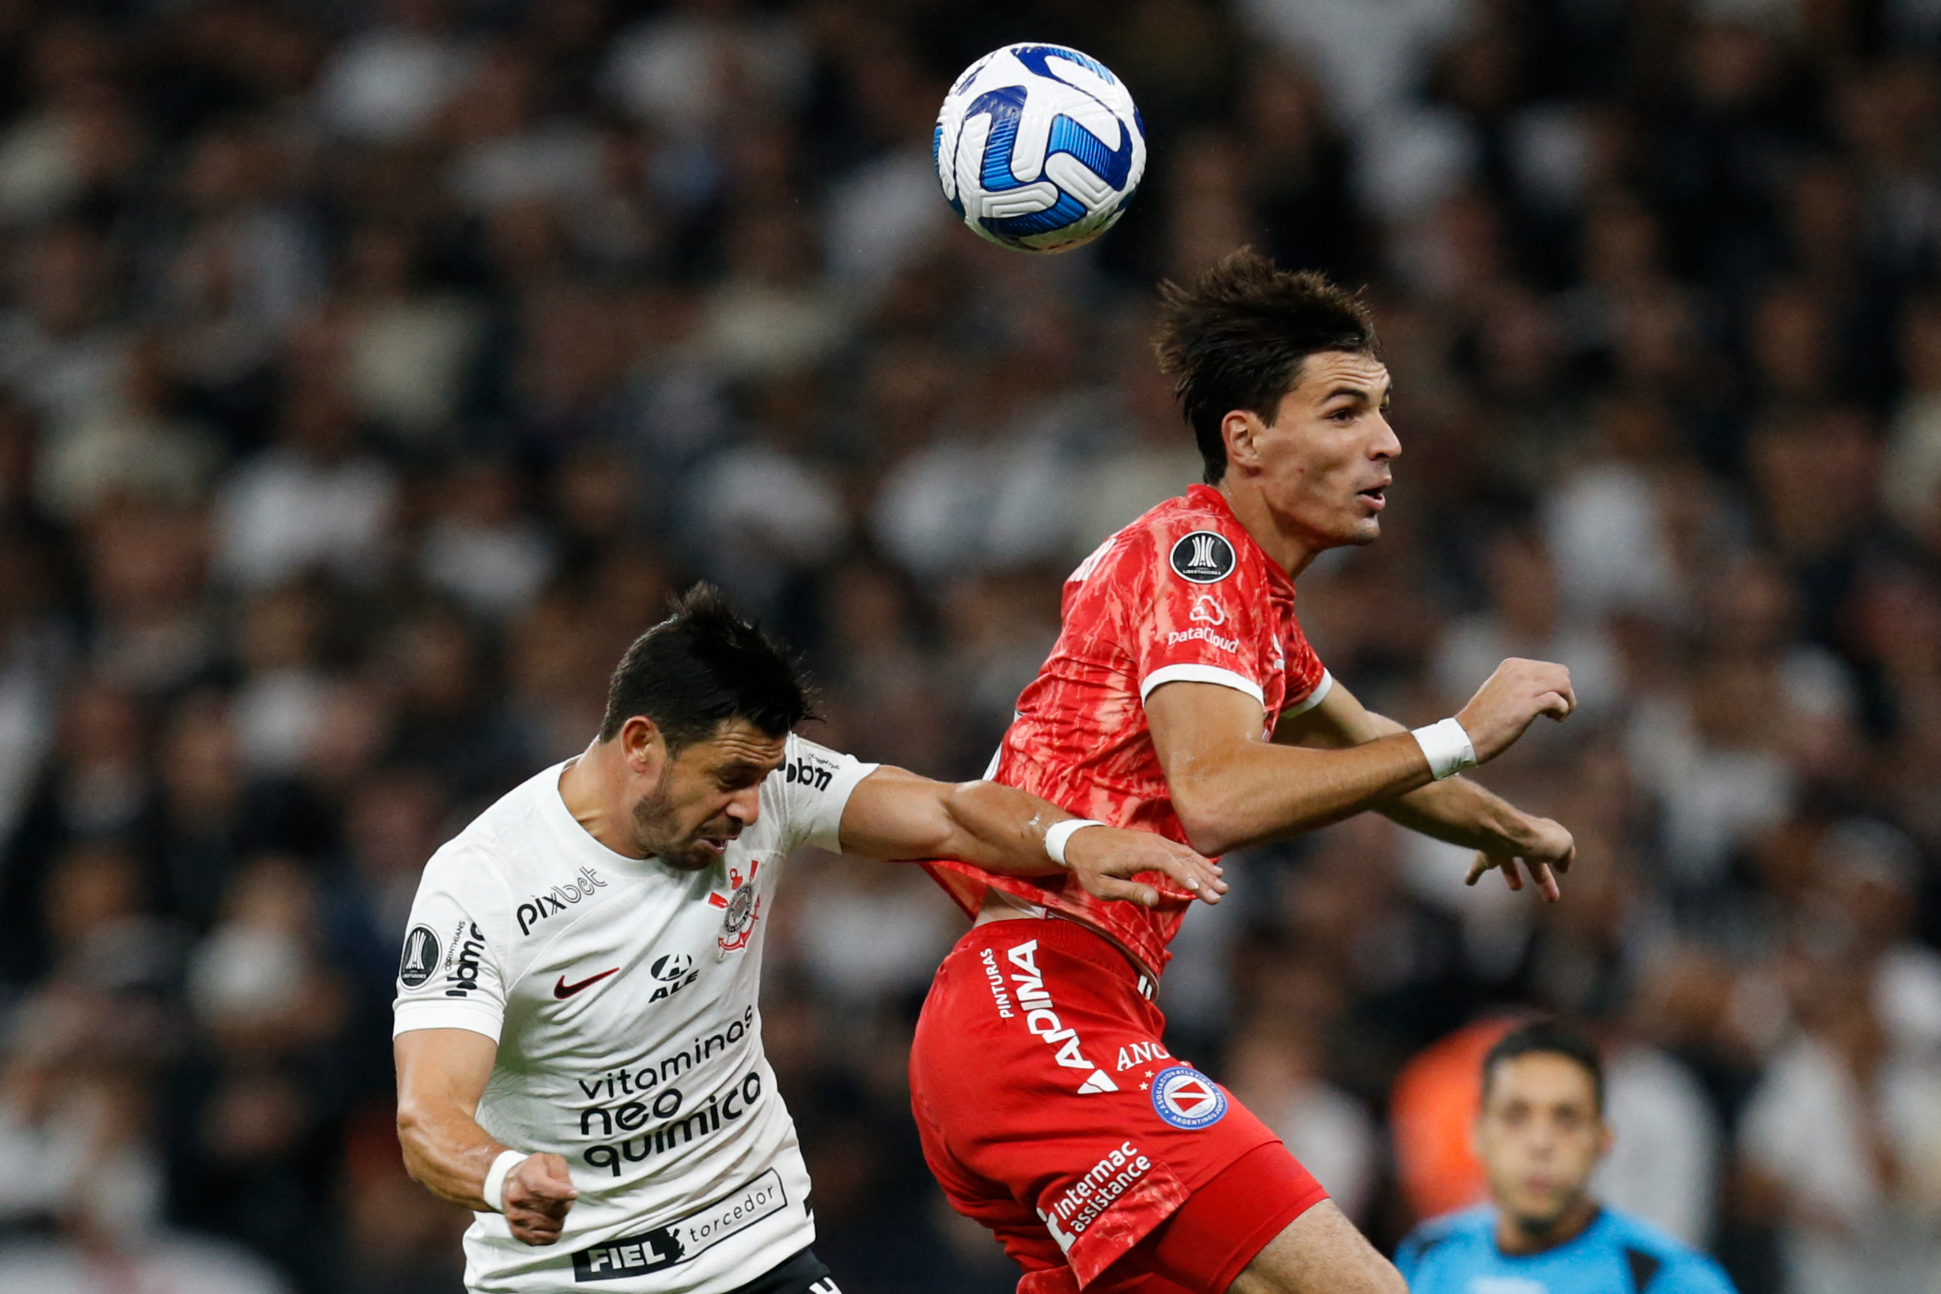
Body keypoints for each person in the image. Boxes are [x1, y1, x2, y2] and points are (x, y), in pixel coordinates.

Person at [907, 248, 1580, 1294]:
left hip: (1040, 1016)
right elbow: (1216, 795)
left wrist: (1504, 823)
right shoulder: (1196, 559)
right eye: (1347, 412)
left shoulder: (1254, 614)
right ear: (1247, 440)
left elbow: (1377, 757)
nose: (1389, 443)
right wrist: (1462, 731)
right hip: (1039, 998)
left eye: (1387, 411)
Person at [390, 585, 1226, 1294]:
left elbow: (943, 809)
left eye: (762, 778)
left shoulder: (767, 782)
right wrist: (503, 1177)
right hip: (572, 1279)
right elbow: (429, 1117)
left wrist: (1071, 840)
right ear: (641, 745)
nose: (753, 810)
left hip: (755, 1248)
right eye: (730, 780)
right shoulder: (484, 884)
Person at [1395, 1021, 1737, 1294]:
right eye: (1516, 1116)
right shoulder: (1429, 1255)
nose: (1541, 1142)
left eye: (1567, 1118)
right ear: (1479, 1135)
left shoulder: (1668, 1278)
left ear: (1602, 1140)